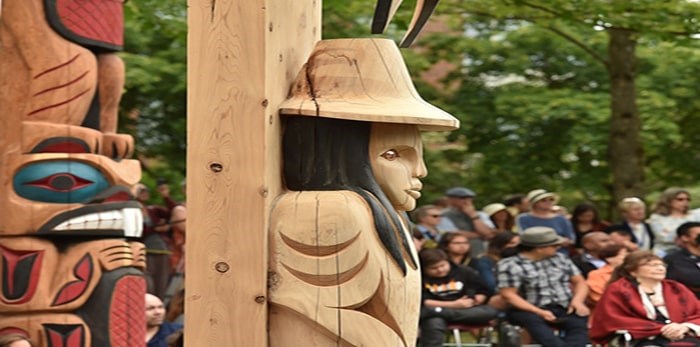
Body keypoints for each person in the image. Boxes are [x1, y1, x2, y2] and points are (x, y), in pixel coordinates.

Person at [496, 227, 589, 347]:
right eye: (554, 245)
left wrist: (578, 301)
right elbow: (508, 295)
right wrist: (539, 312)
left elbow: (580, 282)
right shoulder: (510, 265)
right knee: (534, 323)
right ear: (539, 249)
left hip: (564, 306)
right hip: (529, 309)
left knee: (578, 321)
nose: (558, 247)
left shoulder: (561, 259)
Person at [590, 251, 700, 346]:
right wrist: (660, 329)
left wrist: (685, 327)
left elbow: (697, 312)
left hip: (681, 334)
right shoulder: (618, 289)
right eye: (652, 265)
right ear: (633, 271)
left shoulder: (676, 287)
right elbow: (613, 319)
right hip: (641, 338)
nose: (660, 268)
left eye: (662, 265)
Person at [418, 248, 499, 347]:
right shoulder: (420, 279)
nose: (440, 270)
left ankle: (439, 312)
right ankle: (439, 312)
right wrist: (454, 305)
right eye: (433, 268)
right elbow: (424, 301)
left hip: (467, 311)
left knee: (490, 312)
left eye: (442, 265)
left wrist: (479, 297)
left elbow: (483, 290)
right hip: (441, 310)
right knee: (433, 322)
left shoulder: (464, 271)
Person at [439, 187, 495, 256]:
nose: (467, 201)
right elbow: (452, 235)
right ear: (450, 200)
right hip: (457, 254)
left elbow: (489, 233)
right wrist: (481, 235)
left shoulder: (480, 215)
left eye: (469, 198)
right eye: (462, 198)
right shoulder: (442, 215)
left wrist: (473, 216)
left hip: (482, 253)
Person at [649, 188, 698, 256]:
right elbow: (664, 238)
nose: (685, 202)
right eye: (680, 199)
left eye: (688, 199)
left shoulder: (694, 215)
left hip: (691, 252)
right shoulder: (657, 218)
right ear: (668, 200)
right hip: (664, 253)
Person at [664, 222, 700, 299]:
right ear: (684, 238)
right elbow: (693, 279)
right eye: (699, 235)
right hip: (690, 300)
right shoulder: (674, 259)